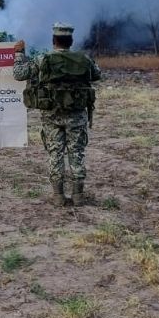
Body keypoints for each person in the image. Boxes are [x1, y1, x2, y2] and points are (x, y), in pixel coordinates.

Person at [13, 23, 101, 207]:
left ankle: (58, 196)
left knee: (55, 154)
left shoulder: (42, 59)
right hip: (76, 116)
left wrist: (19, 53)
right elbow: (96, 75)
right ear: (71, 41)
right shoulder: (83, 59)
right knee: (76, 153)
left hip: (51, 116)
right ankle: (78, 196)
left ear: (54, 41)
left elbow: (19, 74)